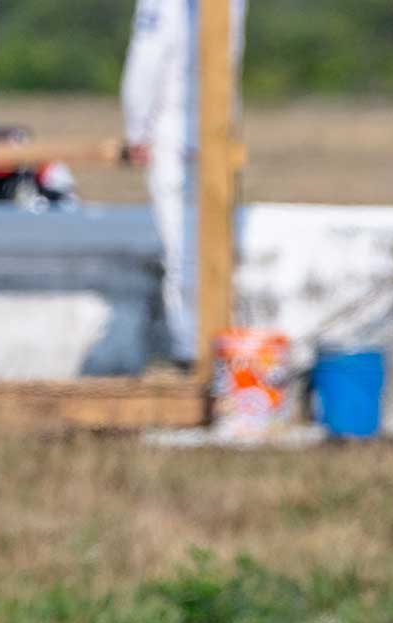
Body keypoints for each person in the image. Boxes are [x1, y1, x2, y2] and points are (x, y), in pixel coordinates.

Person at [121, 0, 245, 365]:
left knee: (182, 253)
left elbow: (146, 62)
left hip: (172, 137)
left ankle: (192, 352)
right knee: (213, 249)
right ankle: (212, 348)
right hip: (215, 134)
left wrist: (136, 129)